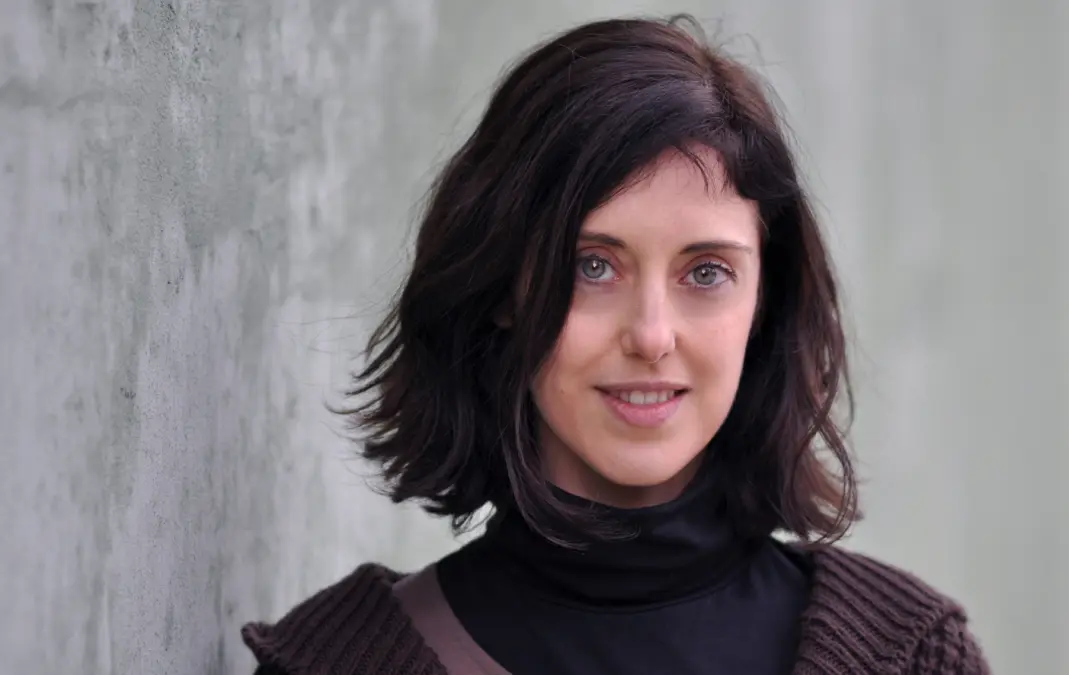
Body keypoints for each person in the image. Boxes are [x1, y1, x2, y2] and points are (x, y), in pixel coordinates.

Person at [243, 15, 990, 675]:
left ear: (764, 303)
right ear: (502, 287)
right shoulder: (333, 665)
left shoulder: (912, 658)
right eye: (592, 266)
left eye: (706, 272)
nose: (652, 335)